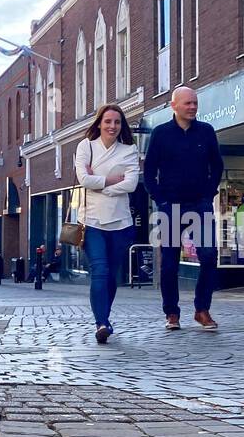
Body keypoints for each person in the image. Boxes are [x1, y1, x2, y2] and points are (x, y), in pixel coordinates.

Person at [144, 85, 223, 332]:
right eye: (187, 103)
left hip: (200, 204)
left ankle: (202, 310)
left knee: (209, 255)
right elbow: (148, 172)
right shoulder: (160, 134)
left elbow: (217, 166)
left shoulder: (206, 132)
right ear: (174, 105)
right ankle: (172, 313)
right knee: (169, 263)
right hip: (170, 207)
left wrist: (209, 192)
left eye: (195, 103)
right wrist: (161, 200)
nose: (192, 107)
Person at [74, 103, 140, 344]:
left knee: (111, 275)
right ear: (99, 123)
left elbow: (131, 184)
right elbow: (84, 179)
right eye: (108, 121)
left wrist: (100, 184)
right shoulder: (85, 147)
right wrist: (112, 181)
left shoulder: (129, 150)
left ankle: (105, 317)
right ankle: (101, 323)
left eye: (117, 122)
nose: (112, 126)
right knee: (99, 272)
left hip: (121, 223)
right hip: (91, 222)